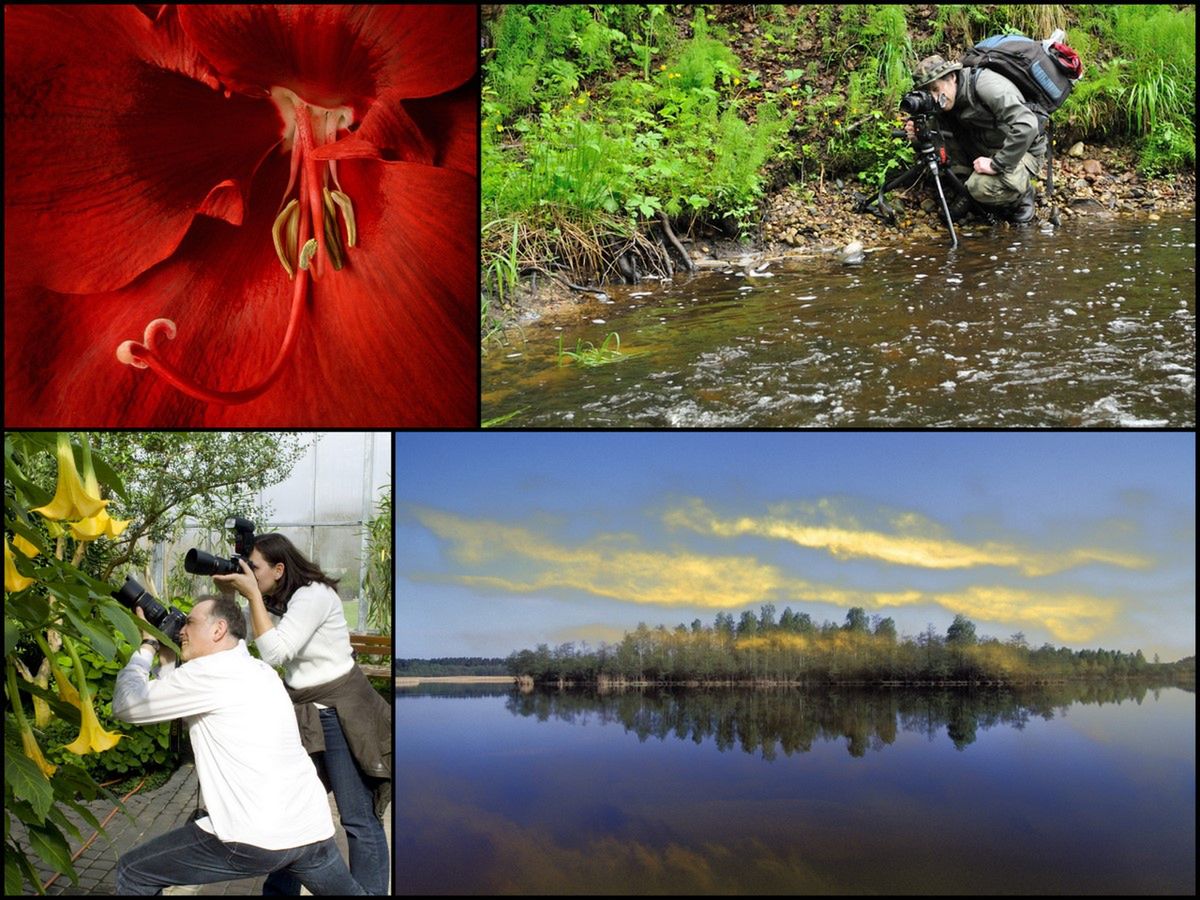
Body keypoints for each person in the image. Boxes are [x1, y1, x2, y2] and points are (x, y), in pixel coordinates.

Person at [112, 595, 365, 896]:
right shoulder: (260, 671)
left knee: (133, 871)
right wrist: (169, 660)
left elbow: (128, 705)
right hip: (311, 829)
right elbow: (177, 698)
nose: (181, 630)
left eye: (190, 623)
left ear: (218, 629)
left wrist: (148, 647)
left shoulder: (207, 674)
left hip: (252, 838)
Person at [213, 533, 391, 896]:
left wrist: (251, 596)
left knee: (357, 818)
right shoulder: (281, 598)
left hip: (342, 713)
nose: (250, 573)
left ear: (279, 569)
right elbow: (239, 642)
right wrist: (231, 596)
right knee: (292, 812)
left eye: (255, 567)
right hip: (307, 713)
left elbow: (275, 653)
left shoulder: (313, 596)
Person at [905, 54, 1045, 224]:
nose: (934, 98)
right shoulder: (944, 100)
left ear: (952, 77)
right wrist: (917, 136)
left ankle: (1021, 196)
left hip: (1023, 151)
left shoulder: (987, 87)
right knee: (946, 139)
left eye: (936, 89)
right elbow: (935, 144)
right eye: (929, 92)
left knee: (979, 188)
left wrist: (997, 164)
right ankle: (966, 193)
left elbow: (1027, 125)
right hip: (984, 148)